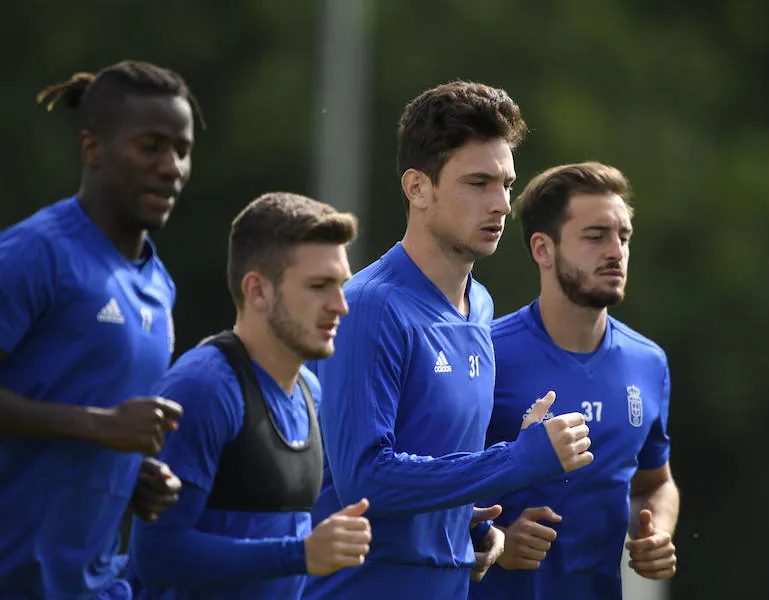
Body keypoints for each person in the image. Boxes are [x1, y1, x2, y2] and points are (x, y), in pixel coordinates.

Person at [304, 81, 594, 600]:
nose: (502, 204)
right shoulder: (370, 307)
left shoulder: (480, 305)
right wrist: (517, 459)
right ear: (417, 188)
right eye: (478, 183)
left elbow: (436, 460)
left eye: (506, 183)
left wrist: (471, 532)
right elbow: (367, 479)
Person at [0, 61, 203, 599]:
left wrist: (129, 478)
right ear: (92, 149)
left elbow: (82, 427)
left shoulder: (158, 283)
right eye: (150, 147)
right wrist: (100, 428)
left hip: (96, 583)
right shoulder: (34, 254)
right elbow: (94, 421)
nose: (171, 168)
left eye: (181, 150)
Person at [129, 193, 372, 600]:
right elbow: (155, 554)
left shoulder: (310, 392)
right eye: (319, 286)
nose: (341, 305)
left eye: (342, 285)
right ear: (258, 291)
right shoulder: (204, 389)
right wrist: (299, 554)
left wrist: (455, 523)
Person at [468, 162, 680, 600]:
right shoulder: (485, 354)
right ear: (543, 249)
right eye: (595, 236)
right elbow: (428, 486)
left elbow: (655, 482)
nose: (616, 251)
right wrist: (496, 538)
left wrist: (656, 530)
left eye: (623, 236)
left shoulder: (649, 362)